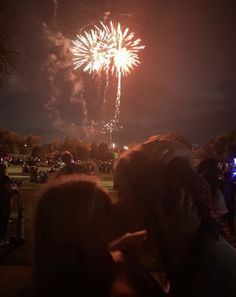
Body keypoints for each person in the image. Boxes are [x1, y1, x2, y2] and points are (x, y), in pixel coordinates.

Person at [114, 135, 236, 297]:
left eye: (121, 192)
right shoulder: (191, 246)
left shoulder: (209, 268)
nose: (118, 204)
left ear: (151, 197)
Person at [0, 162, 12, 246]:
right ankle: (2, 240)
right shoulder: (5, 178)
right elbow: (7, 189)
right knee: (3, 221)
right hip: (4, 203)